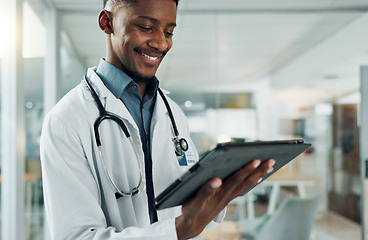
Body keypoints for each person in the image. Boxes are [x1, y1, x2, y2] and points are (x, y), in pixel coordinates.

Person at [39, 0, 276, 239]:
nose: (161, 42)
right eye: (145, 27)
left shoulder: (173, 114)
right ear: (106, 22)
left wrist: (221, 192)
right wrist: (177, 231)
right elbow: (76, 236)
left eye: (169, 32)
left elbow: (189, 211)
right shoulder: (67, 120)